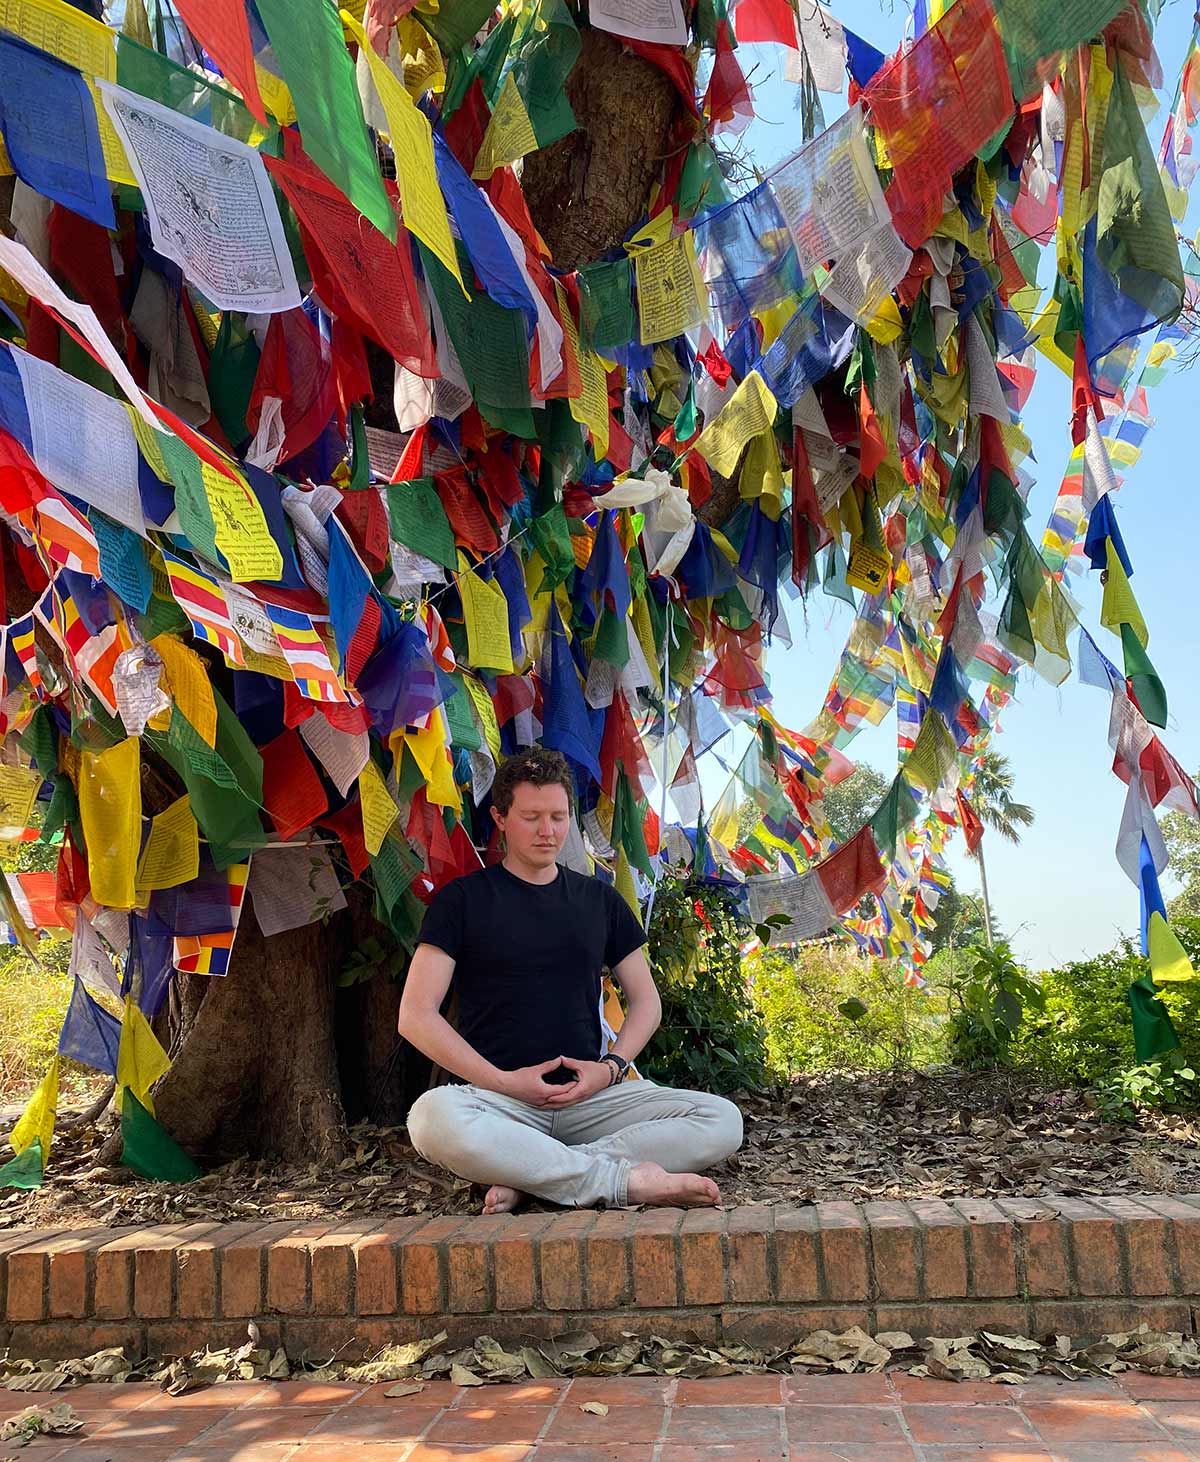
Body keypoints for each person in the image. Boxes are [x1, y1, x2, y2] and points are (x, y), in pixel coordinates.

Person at [399, 747, 743, 1214]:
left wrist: (610, 1068)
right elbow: (416, 1015)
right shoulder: (461, 901)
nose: (548, 831)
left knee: (721, 1119)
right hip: (499, 1101)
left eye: (559, 817)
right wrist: (503, 1082)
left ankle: (533, 1175)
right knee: (430, 1118)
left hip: (591, 1100)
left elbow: (646, 1002)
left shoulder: (599, 901)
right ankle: (622, 1182)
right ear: (500, 818)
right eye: (532, 817)